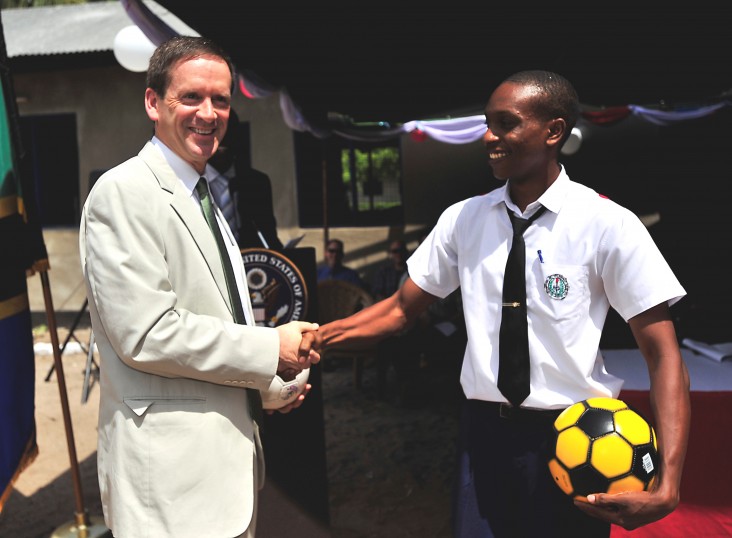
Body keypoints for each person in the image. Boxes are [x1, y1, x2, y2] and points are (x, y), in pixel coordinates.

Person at [315, 70, 690, 536]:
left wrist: (669, 481)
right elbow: (398, 310)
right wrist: (318, 338)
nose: (489, 136)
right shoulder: (463, 220)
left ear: (553, 131)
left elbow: (662, 353)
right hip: (483, 436)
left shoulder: (608, 225)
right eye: (487, 123)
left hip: (575, 440)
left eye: (505, 123)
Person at [78, 36, 319, 538]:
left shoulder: (204, 193)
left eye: (221, 100)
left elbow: (211, 325)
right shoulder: (124, 193)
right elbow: (147, 335)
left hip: (222, 481)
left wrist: (264, 388)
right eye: (191, 97)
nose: (208, 113)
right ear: (152, 102)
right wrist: (270, 347)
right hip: (170, 489)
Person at [208, 108, 284, 250]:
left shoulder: (257, 183)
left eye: (228, 136)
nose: (222, 145)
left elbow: (268, 235)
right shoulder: (188, 183)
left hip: (250, 265)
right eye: (216, 135)